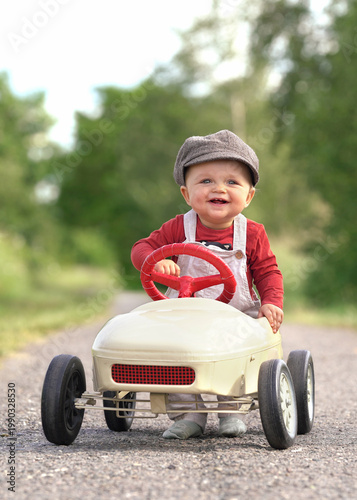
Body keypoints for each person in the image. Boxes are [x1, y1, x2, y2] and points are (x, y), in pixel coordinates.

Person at [131, 129, 284, 440]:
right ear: (187, 193)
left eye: (231, 182)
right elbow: (141, 248)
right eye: (206, 181)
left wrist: (271, 301)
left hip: (234, 315)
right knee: (176, 356)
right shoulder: (177, 227)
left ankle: (232, 412)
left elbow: (268, 271)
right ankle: (188, 415)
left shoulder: (252, 234)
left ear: (249, 195)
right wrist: (155, 262)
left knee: (237, 357)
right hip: (186, 316)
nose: (219, 189)